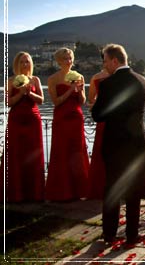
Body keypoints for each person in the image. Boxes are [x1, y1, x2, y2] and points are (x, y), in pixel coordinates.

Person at [91, 43, 145, 245]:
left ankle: (109, 234)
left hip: (115, 144)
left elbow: (97, 115)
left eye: (105, 61)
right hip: (136, 143)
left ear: (115, 61)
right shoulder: (143, 81)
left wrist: (97, 106)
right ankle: (132, 235)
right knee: (134, 191)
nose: (104, 66)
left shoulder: (108, 84)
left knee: (112, 189)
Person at [45, 48, 90, 201]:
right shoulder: (53, 79)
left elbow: (82, 101)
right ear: (58, 61)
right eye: (65, 59)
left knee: (77, 152)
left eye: (70, 58)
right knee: (61, 151)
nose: (69, 61)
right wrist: (71, 89)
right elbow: (56, 102)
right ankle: (61, 191)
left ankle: (79, 190)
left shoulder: (79, 76)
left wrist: (81, 91)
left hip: (76, 118)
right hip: (61, 118)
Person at [1, 52, 45, 202]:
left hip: (33, 120)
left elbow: (41, 100)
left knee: (33, 154)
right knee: (15, 153)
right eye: (22, 62)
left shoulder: (35, 80)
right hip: (16, 121)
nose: (25, 65)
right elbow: (8, 102)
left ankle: (34, 193)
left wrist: (30, 94)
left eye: (27, 62)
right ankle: (15, 193)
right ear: (16, 64)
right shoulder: (10, 80)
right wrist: (20, 93)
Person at [87, 66, 110, 199]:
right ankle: (98, 187)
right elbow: (91, 99)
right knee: (100, 150)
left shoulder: (117, 77)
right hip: (103, 119)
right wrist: (98, 106)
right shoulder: (96, 78)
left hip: (116, 118)